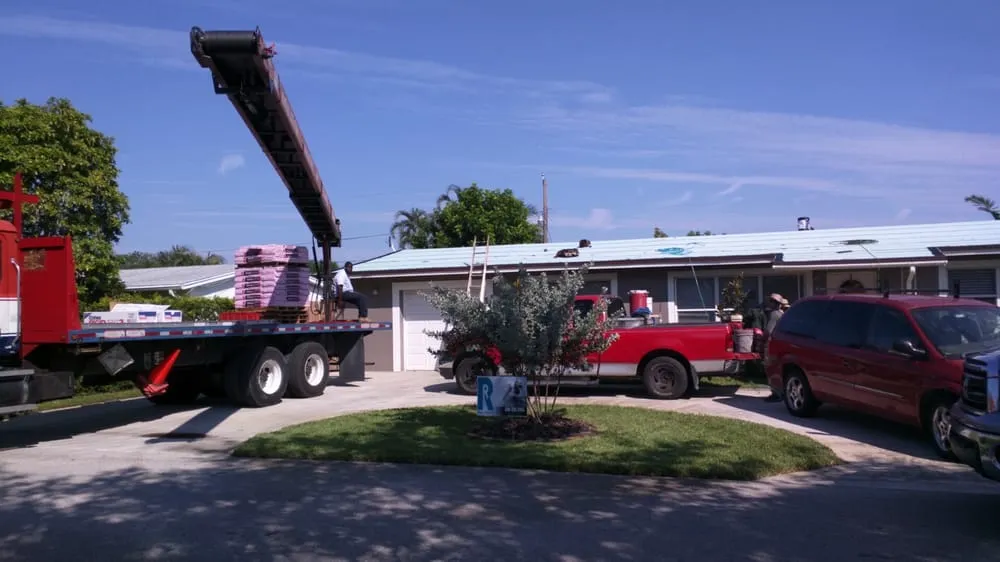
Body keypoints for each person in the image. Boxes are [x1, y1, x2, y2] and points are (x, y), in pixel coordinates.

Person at [762, 293, 785, 402]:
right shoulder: (782, 314)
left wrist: (761, 339)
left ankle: (776, 393)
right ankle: (781, 392)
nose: (769, 303)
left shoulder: (774, 315)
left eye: (771, 301)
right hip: (780, 344)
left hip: (771, 344)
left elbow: (768, 331)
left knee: (770, 367)